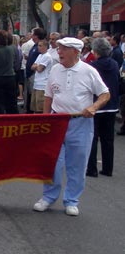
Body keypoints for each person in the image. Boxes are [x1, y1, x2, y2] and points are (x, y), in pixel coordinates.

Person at [33, 37, 110, 217]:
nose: (58, 52)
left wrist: (93, 107)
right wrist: (46, 120)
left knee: (77, 163)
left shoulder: (89, 71)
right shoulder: (55, 70)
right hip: (57, 121)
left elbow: (105, 94)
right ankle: (48, 196)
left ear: (75, 52)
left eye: (63, 49)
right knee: (52, 162)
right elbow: (48, 96)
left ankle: (72, 200)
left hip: (80, 122)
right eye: (58, 48)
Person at [86, 38, 119, 177]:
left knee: (93, 138)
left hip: (96, 104)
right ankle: (107, 168)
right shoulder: (115, 64)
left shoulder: (92, 66)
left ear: (96, 52)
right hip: (111, 105)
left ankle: (91, 168)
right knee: (108, 139)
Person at [30, 39, 52, 113]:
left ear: (46, 47)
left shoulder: (47, 56)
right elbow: (32, 67)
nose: (38, 47)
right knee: (35, 107)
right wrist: (36, 66)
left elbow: (39, 69)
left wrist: (36, 66)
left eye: (40, 46)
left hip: (43, 85)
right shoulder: (40, 55)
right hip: (36, 84)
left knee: (40, 108)